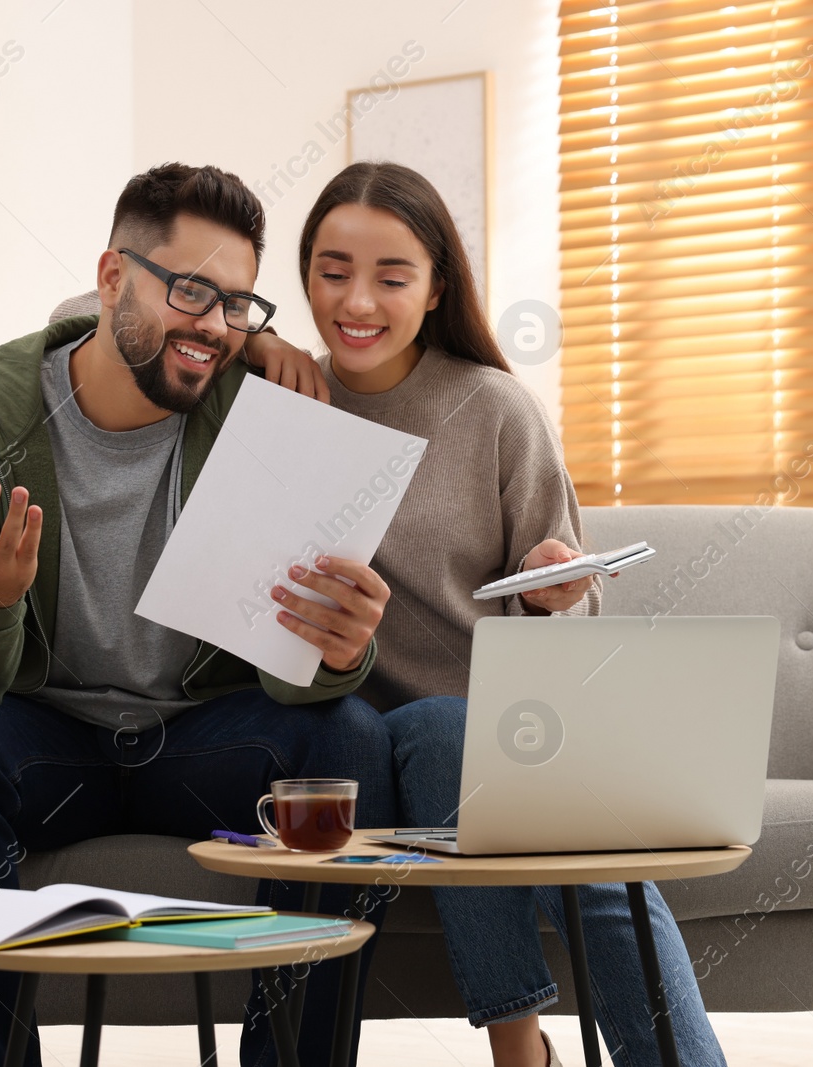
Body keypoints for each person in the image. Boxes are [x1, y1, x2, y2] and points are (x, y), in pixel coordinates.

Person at [0, 162, 398, 1067]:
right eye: (192, 292)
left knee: (349, 736)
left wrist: (338, 651)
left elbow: (290, 669)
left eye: (238, 305)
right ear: (112, 277)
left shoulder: (258, 411)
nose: (215, 328)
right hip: (44, 740)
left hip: (201, 740)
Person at [252, 161, 728, 1067]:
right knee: (431, 729)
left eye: (391, 277)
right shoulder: (282, 401)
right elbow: (120, 316)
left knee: (550, 827)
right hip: (352, 738)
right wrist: (245, 341)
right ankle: (522, 1051)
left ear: (436, 289)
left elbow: (575, 606)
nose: (357, 300)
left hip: (517, 729)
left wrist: (556, 589)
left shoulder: (495, 406)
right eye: (330, 270)